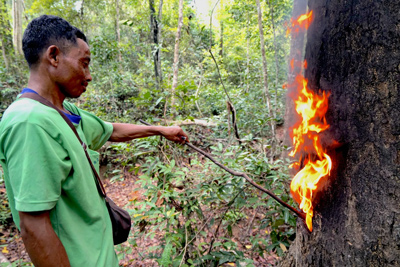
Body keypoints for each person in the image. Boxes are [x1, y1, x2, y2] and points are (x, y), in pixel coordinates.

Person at [0, 15, 188, 267]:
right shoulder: (29, 122)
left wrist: (160, 130)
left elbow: (110, 130)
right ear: (54, 56)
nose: (88, 76)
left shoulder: (64, 112)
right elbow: (34, 226)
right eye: (84, 63)